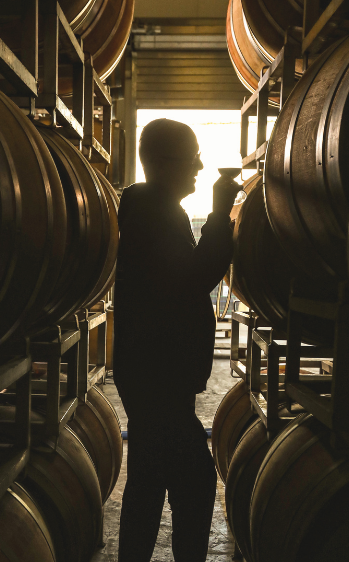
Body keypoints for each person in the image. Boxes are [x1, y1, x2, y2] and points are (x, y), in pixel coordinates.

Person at [112, 118, 241, 561]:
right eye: (193, 158)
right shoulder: (155, 211)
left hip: (148, 373)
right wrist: (222, 214)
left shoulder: (150, 206)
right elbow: (192, 279)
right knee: (197, 481)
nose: (201, 166)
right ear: (165, 165)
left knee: (148, 481)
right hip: (158, 378)